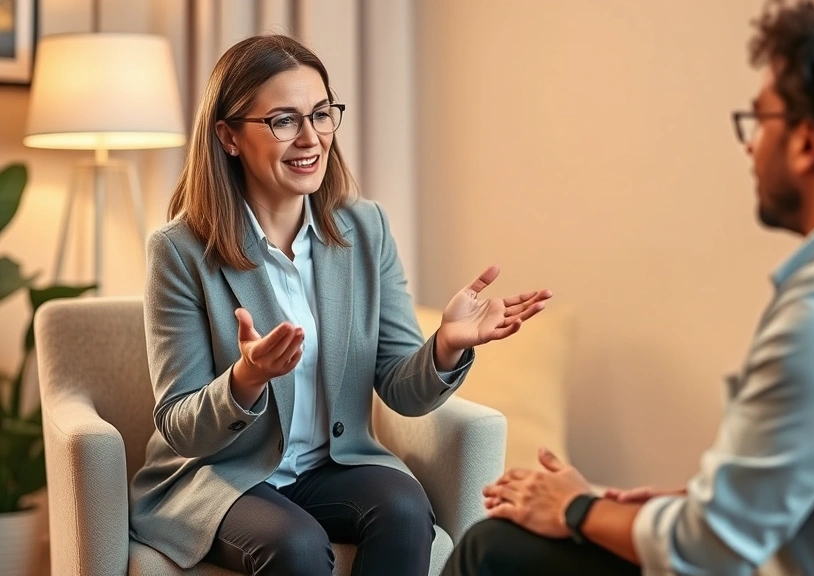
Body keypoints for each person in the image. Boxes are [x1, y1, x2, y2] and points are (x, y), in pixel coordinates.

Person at [442, 1, 814, 575]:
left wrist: (577, 508)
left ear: (805, 142)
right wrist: (672, 504)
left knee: (495, 549)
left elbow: (711, 549)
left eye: (759, 121)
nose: (749, 145)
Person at [128, 34, 551, 576]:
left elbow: (401, 389)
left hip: (331, 465)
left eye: (321, 114)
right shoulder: (180, 250)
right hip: (224, 476)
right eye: (284, 120)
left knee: (404, 509)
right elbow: (180, 424)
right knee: (296, 544)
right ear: (229, 136)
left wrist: (446, 345)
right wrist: (245, 379)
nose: (311, 138)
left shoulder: (365, 228)